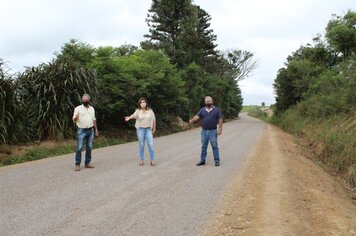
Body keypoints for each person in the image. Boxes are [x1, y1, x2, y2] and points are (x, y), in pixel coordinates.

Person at [189, 96, 223, 166]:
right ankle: (202, 160)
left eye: (210, 101)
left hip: (213, 131)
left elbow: (220, 119)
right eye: (207, 101)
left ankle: (217, 160)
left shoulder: (216, 110)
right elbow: (197, 116)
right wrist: (192, 120)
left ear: (212, 101)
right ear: (205, 102)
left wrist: (220, 129)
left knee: (214, 146)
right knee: (204, 146)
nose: (209, 102)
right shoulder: (202, 110)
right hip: (204, 131)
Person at [125, 97, 156, 166]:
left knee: (150, 145)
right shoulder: (138, 111)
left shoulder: (150, 111)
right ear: (139, 104)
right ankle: (141, 160)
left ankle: (152, 160)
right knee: (141, 145)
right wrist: (129, 118)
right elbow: (134, 115)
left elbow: (154, 119)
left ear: (146, 103)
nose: (143, 103)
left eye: (144, 102)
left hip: (148, 129)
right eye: (141, 102)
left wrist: (154, 128)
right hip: (140, 129)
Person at [72, 94, 99, 171]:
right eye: (83, 100)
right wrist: (76, 118)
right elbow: (74, 119)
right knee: (79, 148)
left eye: (86, 101)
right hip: (81, 130)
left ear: (89, 100)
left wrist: (96, 129)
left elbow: (94, 119)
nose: (85, 102)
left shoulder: (92, 109)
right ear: (82, 100)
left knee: (89, 147)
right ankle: (77, 164)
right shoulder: (78, 108)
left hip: (91, 130)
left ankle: (87, 163)